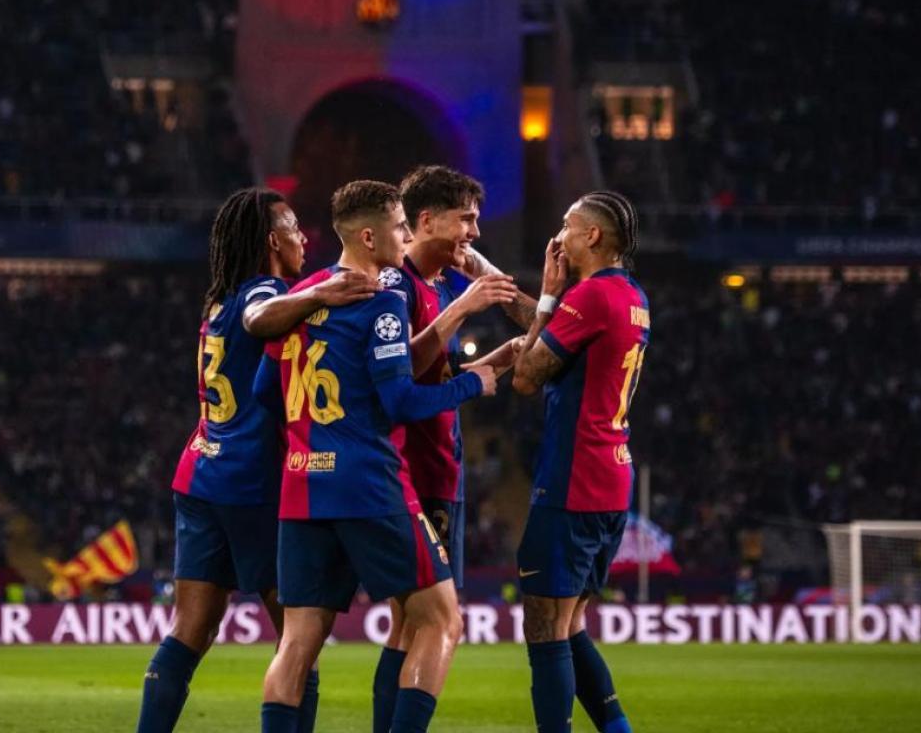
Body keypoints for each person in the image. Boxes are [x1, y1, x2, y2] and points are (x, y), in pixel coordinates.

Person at [259, 180, 508, 733]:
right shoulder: (384, 301)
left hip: (301, 486)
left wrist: (312, 439)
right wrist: (475, 385)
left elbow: (263, 391)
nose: (404, 237)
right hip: (370, 485)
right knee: (440, 621)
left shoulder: (308, 294)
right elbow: (399, 401)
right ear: (369, 237)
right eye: (398, 228)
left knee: (296, 642)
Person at [139, 186, 377, 733]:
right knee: (299, 644)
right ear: (273, 240)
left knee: (189, 633)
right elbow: (260, 318)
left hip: (200, 472)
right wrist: (322, 296)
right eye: (294, 228)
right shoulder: (262, 292)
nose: (304, 238)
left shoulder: (217, 298)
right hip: (253, 485)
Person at [372, 165, 524, 733]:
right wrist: (468, 305)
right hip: (412, 474)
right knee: (438, 623)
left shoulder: (433, 287)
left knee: (409, 626)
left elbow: (434, 374)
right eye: (467, 219)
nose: (475, 233)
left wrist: (491, 362)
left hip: (438, 470)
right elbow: (398, 376)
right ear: (426, 220)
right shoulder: (397, 285)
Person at [511, 190, 647, 733]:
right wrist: (500, 285)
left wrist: (546, 298)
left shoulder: (588, 297)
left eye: (567, 226)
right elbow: (560, 334)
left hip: (573, 479)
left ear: (592, 236)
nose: (558, 237)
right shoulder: (630, 294)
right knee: (569, 625)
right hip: (611, 477)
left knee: (545, 625)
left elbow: (525, 375)